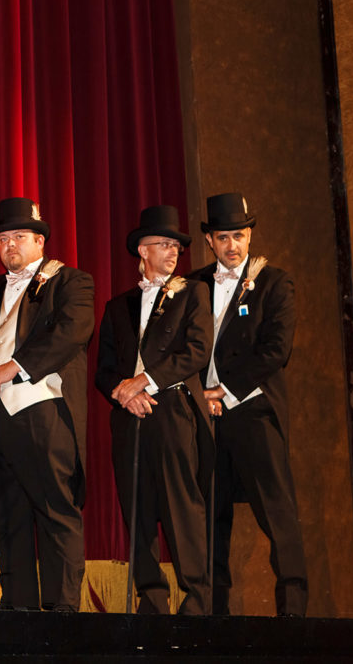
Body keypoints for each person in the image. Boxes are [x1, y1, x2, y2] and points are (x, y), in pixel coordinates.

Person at [0, 197, 93, 611]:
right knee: (6, 515)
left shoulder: (71, 282)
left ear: (40, 241)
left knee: (54, 511)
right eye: (3, 238)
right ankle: (17, 609)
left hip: (42, 410)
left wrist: (11, 370)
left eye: (19, 237)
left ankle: (62, 612)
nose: (9, 245)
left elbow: (71, 332)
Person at [189, 192, 307, 616]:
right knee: (210, 516)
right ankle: (213, 612)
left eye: (238, 236)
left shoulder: (275, 282)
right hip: (207, 416)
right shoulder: (194, 284)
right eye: (223, 238)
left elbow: (276, 351)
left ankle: (293, 611)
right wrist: (200, 395)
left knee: (277, 512)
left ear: (250, 235)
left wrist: (226, 389)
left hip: (254, 410)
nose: (232, 246)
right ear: (210, 241)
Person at [94, 204, 214, 615]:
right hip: (128, 415)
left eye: (176, 245)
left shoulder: (194, 293)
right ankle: (152, 595)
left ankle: (198, 598)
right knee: (137, 505)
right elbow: (105, 369)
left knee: (182, 503)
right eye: (163, 244)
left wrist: (144, 381)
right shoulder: (117, 306)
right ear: (142, 251)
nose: (173, 251)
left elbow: (197, 351)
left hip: (171, 407)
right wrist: (124, 393)